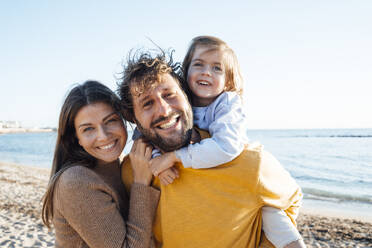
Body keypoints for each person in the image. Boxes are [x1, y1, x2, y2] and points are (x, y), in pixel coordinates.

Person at [118, 50, 305, 247]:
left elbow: (292, 199)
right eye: (147, 103)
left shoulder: (247, 162)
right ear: (135, 120)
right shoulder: (133, 172)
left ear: (187, 96)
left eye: (169, 95)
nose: (164, 110)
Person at [41, 80, 160, 248]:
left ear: (123, 120)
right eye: (88, 129)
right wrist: (141, 182)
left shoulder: (121, 164)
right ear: (77, 138)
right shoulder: (76, 181)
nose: (103, 136)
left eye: (110, 120)